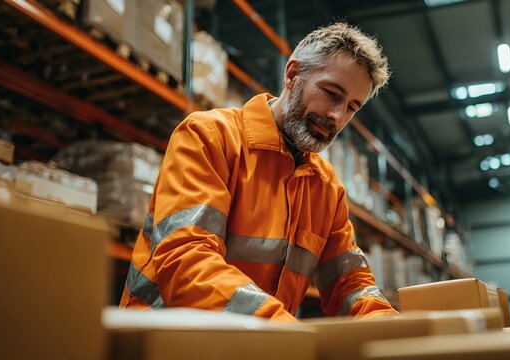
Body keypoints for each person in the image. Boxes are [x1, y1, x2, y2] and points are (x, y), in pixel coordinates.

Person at [120, 22, 398, 321]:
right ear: (292, 75)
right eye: (332, 93)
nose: (337, 115)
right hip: (165, 341)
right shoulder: (210, 137)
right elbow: (185, 259)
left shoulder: (326, 188)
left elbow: (350, 284)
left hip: (259, 344)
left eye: (352, 107)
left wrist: (389, 329)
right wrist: (278, 327)